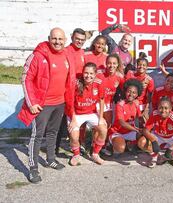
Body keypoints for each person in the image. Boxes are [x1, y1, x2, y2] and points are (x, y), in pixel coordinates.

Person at [17, 27, 75, 183]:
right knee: (37, 136)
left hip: (60, 103)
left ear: (65, 41)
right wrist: (32, 103)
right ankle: (33, 168)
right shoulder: (37, 55)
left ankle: (50, 159)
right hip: (42, 105)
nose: (57, 42)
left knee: (53, 133)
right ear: (49, 38)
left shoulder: (67, 55)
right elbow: (25, 79)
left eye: (60, 39)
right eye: (54, 38)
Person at [67, 62, 108, 166]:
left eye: (91, 73)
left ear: (95, 74)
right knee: (74, 136)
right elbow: (70, 102)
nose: (88, 76)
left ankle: (95, 154)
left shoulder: (99, 83)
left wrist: (101, 117)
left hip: (91, 112)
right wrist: (73, 119)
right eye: (86, 73)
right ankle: (76, 155)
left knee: (103, 129)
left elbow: (102, 100)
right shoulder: (76, 83)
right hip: (76, 114)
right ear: (82, 72)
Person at [56, 28, 87, 155]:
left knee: (80, 116)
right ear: (72, 37)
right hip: (65, 90)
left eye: (82, 40)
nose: (79, 41)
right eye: (77, 39)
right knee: (60, 119)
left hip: (79, 91)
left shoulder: (82, 52)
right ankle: (54, 146)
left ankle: (80, 144)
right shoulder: (65, 51)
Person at [138, 97, 173, 168]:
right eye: (160, 107)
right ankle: (155, 156)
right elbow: (145, 130)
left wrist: (171, 149)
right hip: (158, 136)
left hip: (172, 137)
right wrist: (153, 141)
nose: (163, 110)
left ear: (170, 109)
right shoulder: (155, 114)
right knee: (141, 142)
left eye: (166, 108)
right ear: (157, 107)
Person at [108, 79, 143, 156]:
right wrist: (136, 129)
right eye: (129, 91)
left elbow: (140, 118)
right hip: (118, 132)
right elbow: (122, 123)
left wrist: (144, 127)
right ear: (125, 92)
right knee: (120, 148)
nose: (131, 94)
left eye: (134, 92)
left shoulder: (136, 104)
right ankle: (114, 147)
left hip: (130, 132)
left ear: (137, 94)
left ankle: (130, 144)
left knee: (144, 134)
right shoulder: (120, 104)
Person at [125, 52, 155, 125]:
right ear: (136, 65)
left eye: (144, 65)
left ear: (147, 67)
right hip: (129, 103)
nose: (141, 67)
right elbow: (125, 90)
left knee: (145, 125)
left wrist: (146, 109)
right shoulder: (130, 74)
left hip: (142, 105)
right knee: (129, 124)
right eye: (139, 65)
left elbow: (149, 96)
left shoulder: (149, 80)